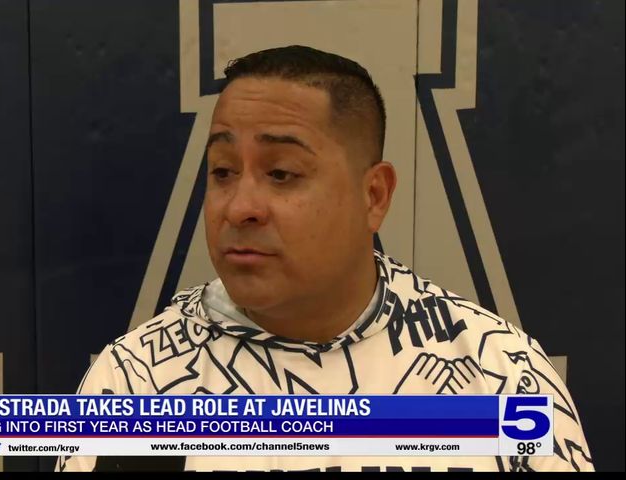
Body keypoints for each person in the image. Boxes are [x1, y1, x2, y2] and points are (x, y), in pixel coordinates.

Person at [57, 45, 593, 472]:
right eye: (222, 171)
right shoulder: (136, 382)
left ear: (373, 196)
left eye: (281, 173)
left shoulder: (499, 374)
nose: (239, 207)